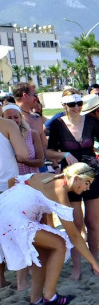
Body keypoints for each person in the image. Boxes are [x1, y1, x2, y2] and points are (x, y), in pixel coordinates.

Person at [0, 163, 99, 305]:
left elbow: (13, 180)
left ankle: (36, 298)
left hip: (6, 212)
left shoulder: (50, 177)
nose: (87, 188)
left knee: (45, 250)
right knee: (60, 243)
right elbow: (74, 236)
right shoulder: (59, 190)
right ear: (76, 178)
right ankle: (50, 298)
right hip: (13, 220)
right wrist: (94, 263)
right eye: (87, 183)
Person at [46, 89, 99, 280]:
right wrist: (64, 154)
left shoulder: (90, 121)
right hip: (70, 179)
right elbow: (49, 152)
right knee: (75, 225)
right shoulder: (58, 124)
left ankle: (94, 263)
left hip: (91, 176)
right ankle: (76, 267)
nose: (77, 107)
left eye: (79, 103)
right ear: (64, 106)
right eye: (72, 104)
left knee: (93, 223)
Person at [0, 116, 31, 289]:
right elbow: (23, 154)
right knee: (17, 234)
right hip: (8, 185)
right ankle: (22, 282)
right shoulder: (7, 124)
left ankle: (1, 279)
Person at [3, 104, 44, 175]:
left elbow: (40, 162)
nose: (13, 121)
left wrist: (24, 161)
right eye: (9, 118)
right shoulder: (2, 137)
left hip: (31, 178)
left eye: (16, 117)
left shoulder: (32, 134)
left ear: (20, 118)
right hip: (10, 179)